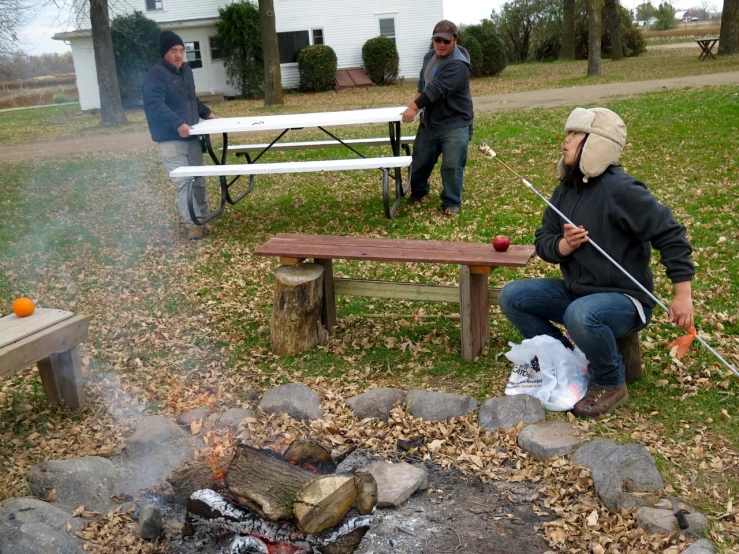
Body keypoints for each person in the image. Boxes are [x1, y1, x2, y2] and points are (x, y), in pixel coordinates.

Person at [498, 107, 695, 417]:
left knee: (581, 314)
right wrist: (563, 245)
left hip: (627, 300)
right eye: (568, 133)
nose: (566, 141)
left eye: (575, 134)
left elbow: (669, 233)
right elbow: (543, 240)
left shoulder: (621, 189)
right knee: (513, 296)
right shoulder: (566, 190)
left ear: (597, 143)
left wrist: (682, 294)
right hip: (578, 292)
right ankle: (567, 359)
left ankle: (611, 381)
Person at [143, 30, 220, 241]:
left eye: (181, 50)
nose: (179, 55)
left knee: (199, 181)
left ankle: (203, 219)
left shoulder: (185, 70)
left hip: (192, 136)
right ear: (164, 53)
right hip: (170, 139)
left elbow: (190, 99)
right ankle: (193, 224)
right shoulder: (155, 74)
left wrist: (207, 114)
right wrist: (177, 123)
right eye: (173, 51)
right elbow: (154, 104)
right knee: (184, 182)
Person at [401, 20, 473, 216]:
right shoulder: (430, 56)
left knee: (451, 165)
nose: (441, 44)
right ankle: (419, 192)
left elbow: (435, 90)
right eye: (437, 40)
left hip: (455, 122)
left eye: (446, 41)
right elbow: (422, 86)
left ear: (455, 41)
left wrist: (413, 108)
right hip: (430, 121)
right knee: (419, 162)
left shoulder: (459, 65)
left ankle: (451, 202)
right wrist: (411, 106)